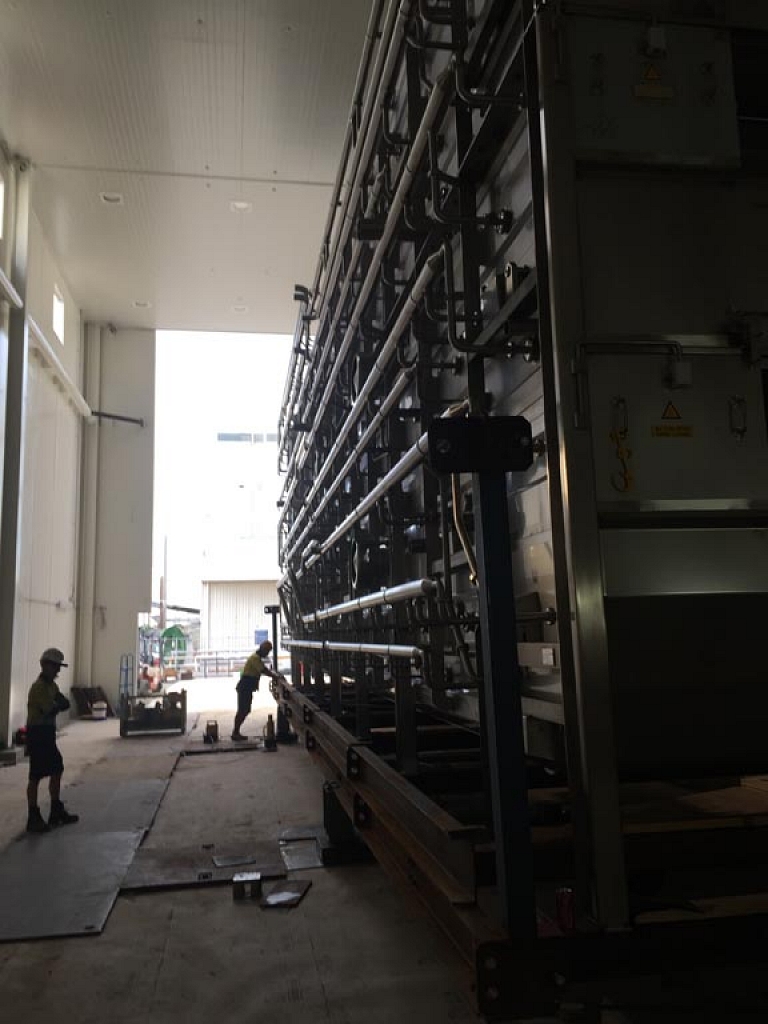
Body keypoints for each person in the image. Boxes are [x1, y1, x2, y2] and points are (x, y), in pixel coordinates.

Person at [26, 648, 79, 833]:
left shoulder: (52, 686)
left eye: (58, 667)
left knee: (57, 768)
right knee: (35, 775)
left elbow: (65, 703)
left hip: (47, 733)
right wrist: (57, 705)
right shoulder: (39, 688)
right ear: (45, 665)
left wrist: (58, 704)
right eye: (55, 667)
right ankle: (33, 816)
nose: (57, 671)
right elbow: (52, 708)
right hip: (37, 734)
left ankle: (56, 810)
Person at [232, 640, 285, 741]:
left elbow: (264, 669)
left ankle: (236, 732)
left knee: (245, 710)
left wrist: (273, 675)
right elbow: (263, 670)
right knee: (243, 710)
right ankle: (235, 733)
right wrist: (275, 676)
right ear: (263, 649)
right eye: (267, 651)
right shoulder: (255, 658)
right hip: (245, 688)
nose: (267, 654)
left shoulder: (256, 658)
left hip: (247, 688)